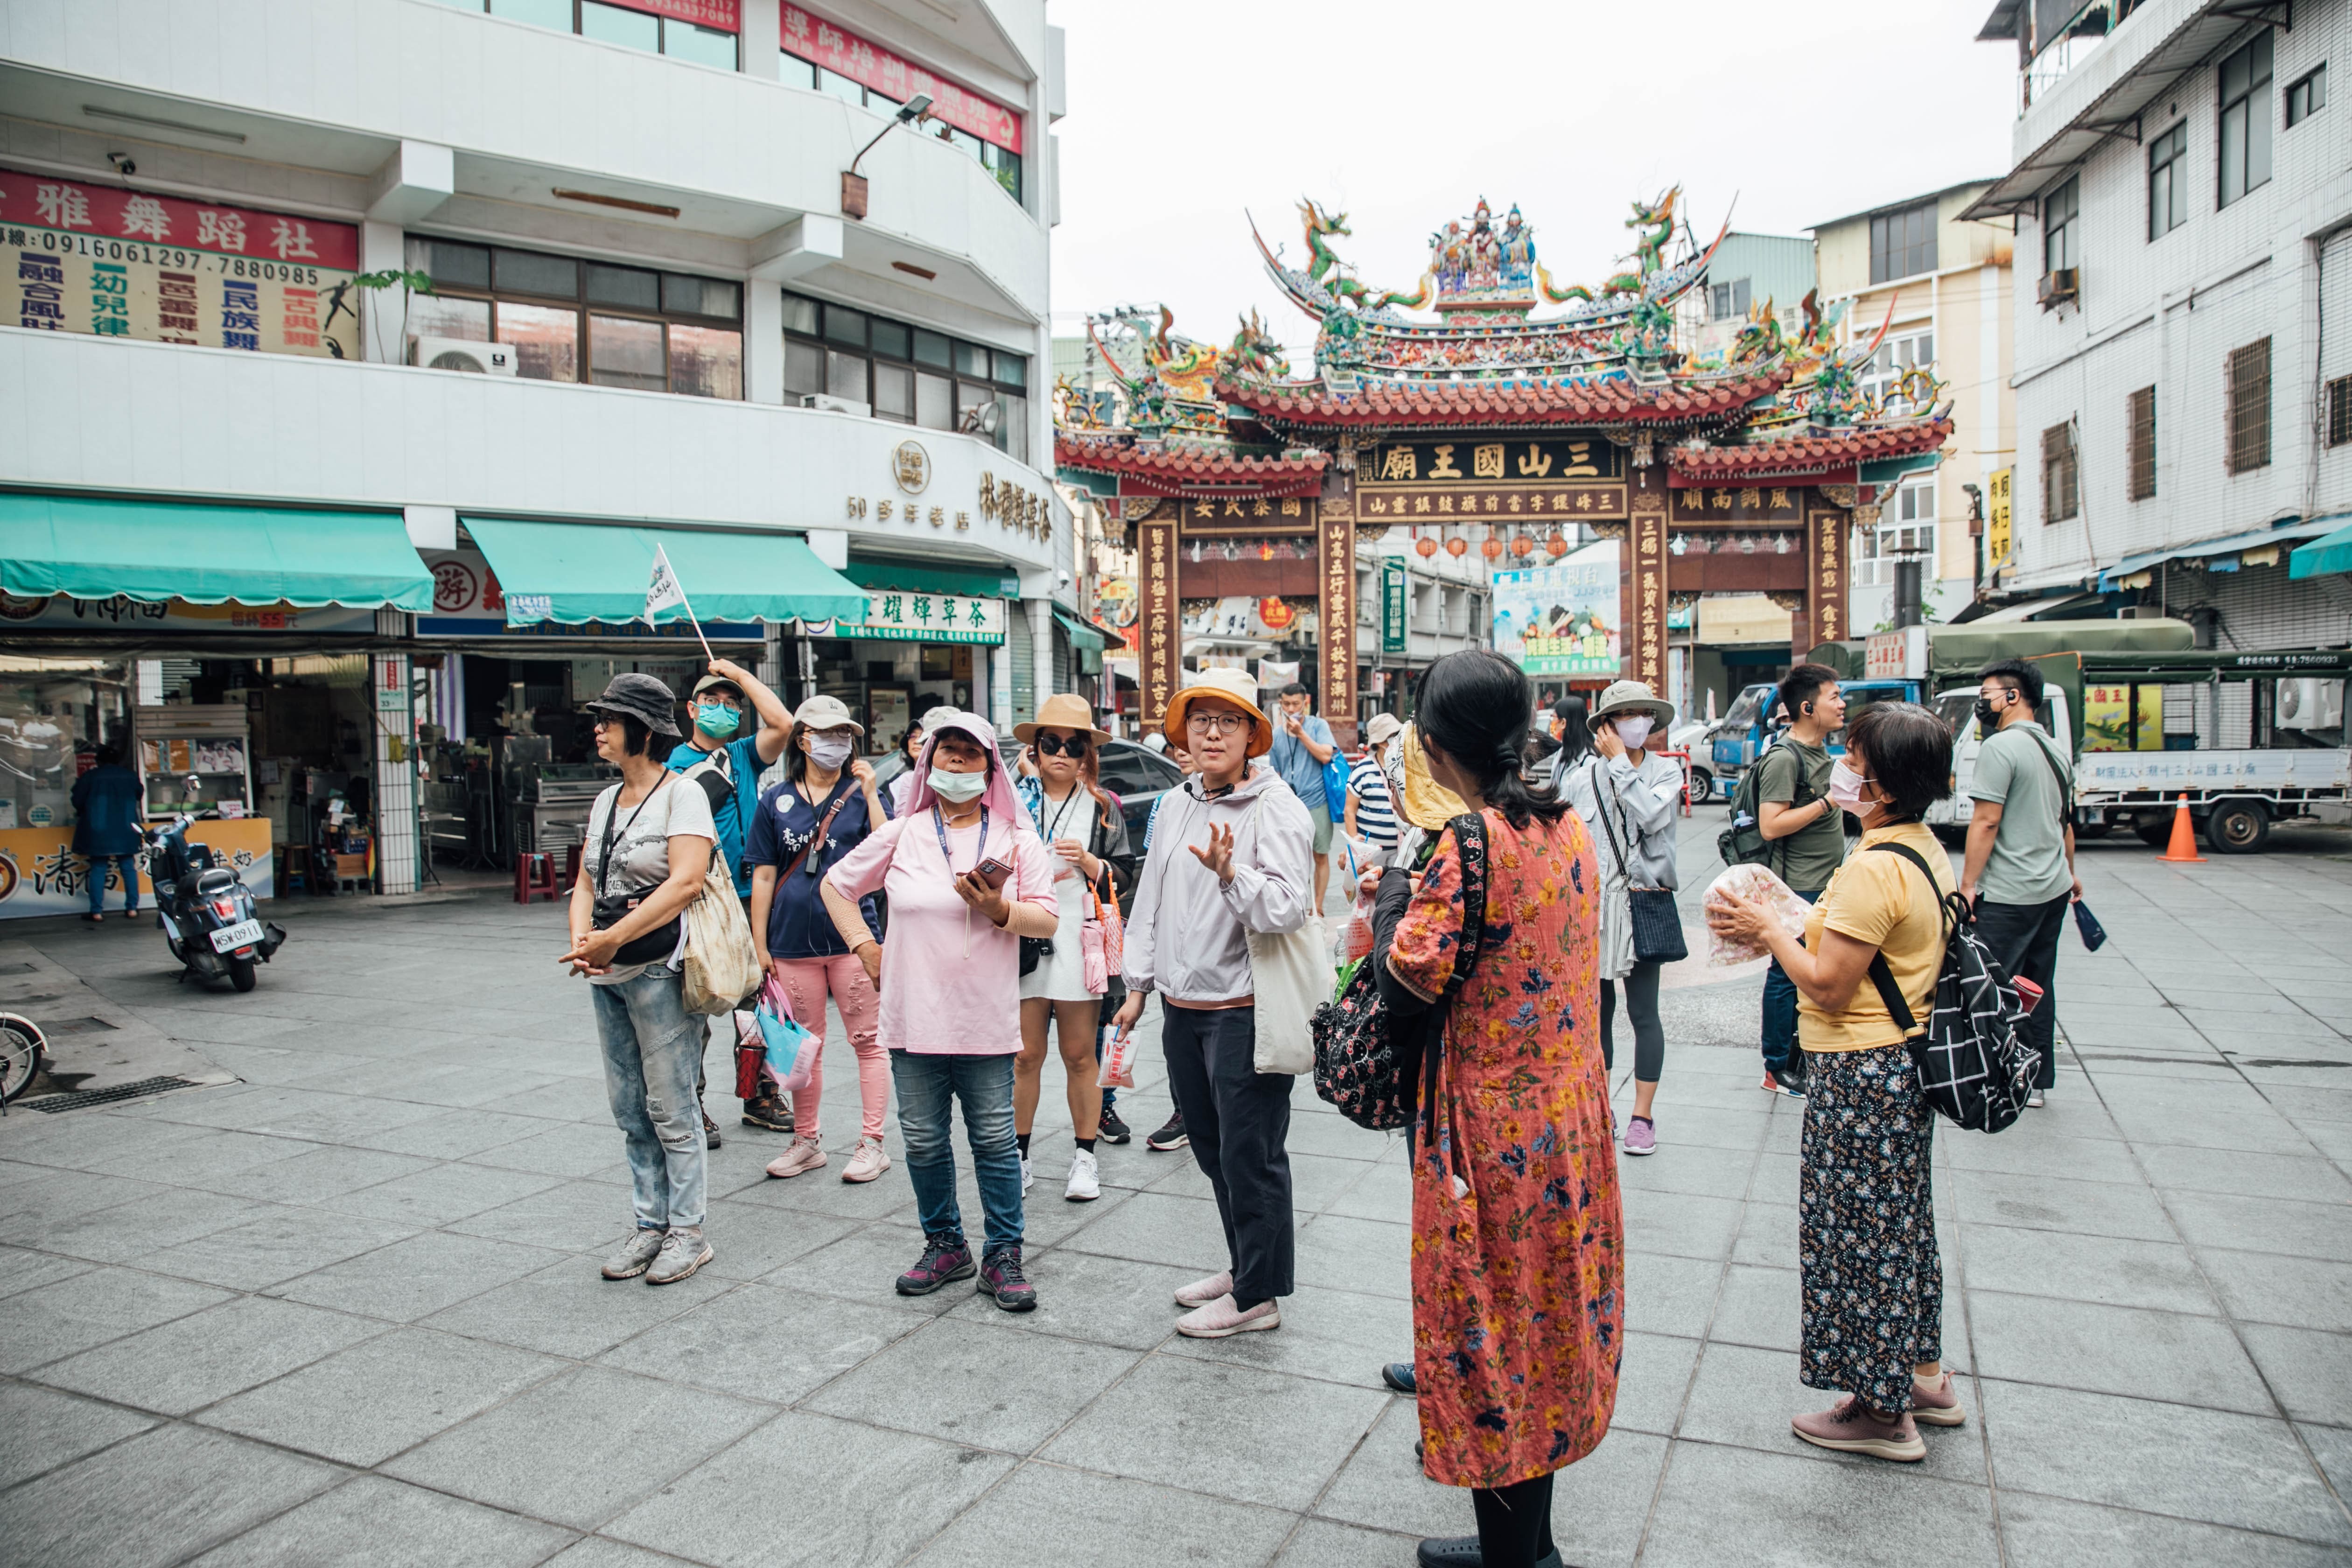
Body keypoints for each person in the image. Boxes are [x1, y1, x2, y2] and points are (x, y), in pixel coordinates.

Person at [1373, 649, 1622, 1568]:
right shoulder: (1568, 827)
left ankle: (1515, 1556)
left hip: (1489, 1136)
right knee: (1545, 1323)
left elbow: (1406, 980)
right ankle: (1530, 1543)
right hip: (1570, 1119)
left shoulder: (1468, 843)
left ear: (1436, 749)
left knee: (1490, 1326)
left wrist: (1394, 888)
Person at [1705, 701, 1968, 1463]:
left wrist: (1769, 932)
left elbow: (1826, 985)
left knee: (1858, 1241)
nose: (1841, 772)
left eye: (1854, 762)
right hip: (1901, 1067)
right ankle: (1923, 1377)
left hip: (1863, 1074)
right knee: (1902, 1230)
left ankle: (1881, 1412)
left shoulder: (1874, 868)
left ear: (1885, 786)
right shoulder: (1919, 848)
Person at [821, 713, 1058, 1311]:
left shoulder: (1015, 838)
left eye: (969, 753)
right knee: (925, 1141)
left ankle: (1003, 1254)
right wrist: (867, 948)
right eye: (946, 750)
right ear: (928, 763)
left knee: (995, 1141)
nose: (956, 760)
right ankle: (946, 1246)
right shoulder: (903, 833)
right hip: (913, 1017)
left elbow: (1048, 918)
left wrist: (1000, 911)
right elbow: (836, 886)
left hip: (986, 1019)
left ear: (989, 767)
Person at [1111, 668, 1314, 1337]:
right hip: (1183, 1007)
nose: (1213, 734)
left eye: (1229, 722)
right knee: (1210, 1148)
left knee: (1250, 1156)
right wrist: (1138, 987)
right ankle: (1244, 1266)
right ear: (1185, 733)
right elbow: (1150, 900)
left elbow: (1290, 907)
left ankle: (1258, 1295)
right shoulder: (1177, 803)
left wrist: (1233, 875)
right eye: (1201, 721)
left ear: (1253, 735)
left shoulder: (1274, 806)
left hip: (1243, 1010)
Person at [563, 674, 720, 1288]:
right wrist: (585, 941)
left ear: (646, 732)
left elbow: (686, 881)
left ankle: (688, 1231)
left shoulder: (683, 795)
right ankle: (649, 1224)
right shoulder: (606, 800)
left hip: (660, 969)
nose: (599, 729)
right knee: (629, 1108)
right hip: (608, 972)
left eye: (611, 720)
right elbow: (585, 881)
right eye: (599, 719)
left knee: (672, 1105)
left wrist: (614, 939)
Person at [747, 694, 893, 1175]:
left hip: (854, 941)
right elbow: (763, 875)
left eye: (844, 733)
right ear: (803, 739)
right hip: (790, 943)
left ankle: (872, 1143)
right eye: (827, 733)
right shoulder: (775, 799)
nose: (838, 742)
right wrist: (760, 945)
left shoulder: (865, 792)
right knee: (804, 1044)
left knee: (868, 1041)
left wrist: (871, 791)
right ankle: (806, 1140)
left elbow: (889, 852)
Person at [665, 657, 793, 1144]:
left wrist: (740, 675)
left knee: (756, 1007)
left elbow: (782, 724)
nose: (722, 708)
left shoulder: (743, 754)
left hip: (751, 899)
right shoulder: (673, 765)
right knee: (695, 1003)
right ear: (692, 709)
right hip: (700, 899)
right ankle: (691, 1103)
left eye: (730, 704)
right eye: (711, 701)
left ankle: (758, 1095)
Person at [1011, 694, 1134, 1202]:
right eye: (1051, 743)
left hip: (1080, 942)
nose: (1062, 753)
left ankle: (1085, 1157)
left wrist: (1088, 862)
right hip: (1022, 937)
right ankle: (1017, 1158)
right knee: (1025, 1056)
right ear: (1036, 750)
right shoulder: (1014, 803)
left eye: (1074, 745)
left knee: (1081, 1055)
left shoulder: (1103, 808)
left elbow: (1125, 875)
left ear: (1088, 753)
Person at [1559, 680, 1683, 1155]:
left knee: (1644, 1012)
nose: (1639, 722)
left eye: (1644, 714)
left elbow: (1651, 817)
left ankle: (1642, 1117)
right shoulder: (1581, 779)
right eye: (1628, 714)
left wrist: (1618, 765)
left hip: (1643, 902)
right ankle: (1600, 1107)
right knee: (1597, 1014)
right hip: (1593, 908)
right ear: (1606, 726)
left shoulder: (1665, 772)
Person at [1959, 658, 2079, 1110]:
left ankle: (1992, 1075)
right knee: (2037, 984)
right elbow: (2064, 822)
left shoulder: (2001, 747)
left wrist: (1968, 884)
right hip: (2053, 889)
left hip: (2011, 893)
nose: (1982, 702)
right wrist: (2071, 872)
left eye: (1987, 693)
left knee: (1992, 985)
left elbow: (1986, 821)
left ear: (2012, 696)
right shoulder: (2055, 748)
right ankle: (2036, 1081)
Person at [1754, 663, 1847, 1099]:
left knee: (1811, 974)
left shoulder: (1822, 752)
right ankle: (1776, 1067)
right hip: (1797, 885)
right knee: (1786, 974)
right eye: (1834, 697)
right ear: (1807, 708)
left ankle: (1799, 1056)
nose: (1842, 704)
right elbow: (1771, 825)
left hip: (1825, 882)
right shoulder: (1784, 758)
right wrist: (1828, 803)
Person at [1140, 739, 1199, 1155]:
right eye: (1176, 743)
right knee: (1176, 1038)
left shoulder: (1257, 799)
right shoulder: (1166, 803)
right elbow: (1153, 870)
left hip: (1223, 950)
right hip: (1172, 939)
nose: (1181, 750)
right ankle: (1185, 1113)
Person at [1268, 681, 1338, 913]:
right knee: (1292, 859)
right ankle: (1297, 904)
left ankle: (1318, 907)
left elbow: (1326, 755)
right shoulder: (1276, 735)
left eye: (1296, 704)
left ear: (1305, 704)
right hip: (1289, 806)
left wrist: (1301, 734)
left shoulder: (1318, 726)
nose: (1291, 709)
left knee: (1320, 855)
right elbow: (1277, 773)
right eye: (1287, 704)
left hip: (1317, 802)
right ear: (1281, 704)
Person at [71, 742, 144, 923]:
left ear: (99, 761)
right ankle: (132, 909)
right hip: (126, 828)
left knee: (98, 868)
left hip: (98, 828)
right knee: (128, 868)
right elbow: (139, 795)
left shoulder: (90, 777)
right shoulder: (130, 776)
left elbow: (77, 800)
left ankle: (97, 912)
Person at [1344, 711, 1403, 867]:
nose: (1397, 739)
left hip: (1400, 847)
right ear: (1381, 741)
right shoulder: (1363, 770)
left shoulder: (1404, 768)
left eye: (1398, 735)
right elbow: (1350, 810)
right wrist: (1356, 845)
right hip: (1370, 849)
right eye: (1392, 736)